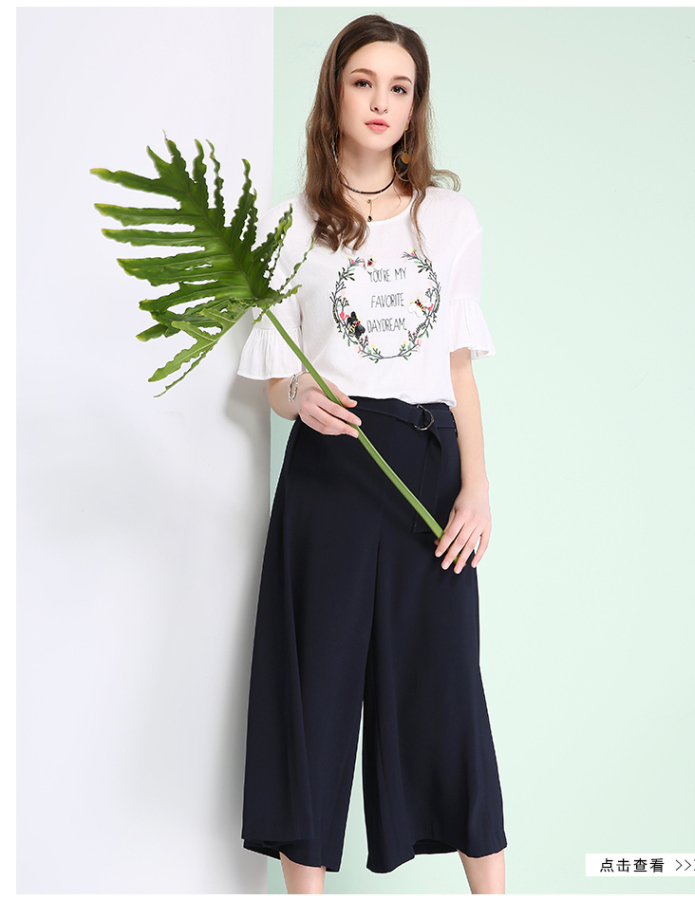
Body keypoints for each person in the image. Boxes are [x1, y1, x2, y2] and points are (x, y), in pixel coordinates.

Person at [237, 14, 507, 894]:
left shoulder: (450, 219)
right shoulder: (291, 224)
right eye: (364, 82)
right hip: (332, 473)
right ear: (336, 93)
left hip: (427, 469)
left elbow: (459, 370)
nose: (382, 101)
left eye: (400, 86)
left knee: (448, 692)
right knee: (315, 693)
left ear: (415, 103)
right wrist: (298, 398)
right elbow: (274, 381)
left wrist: (477, 489)